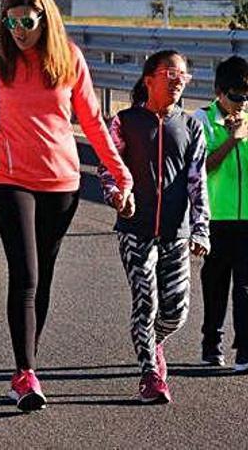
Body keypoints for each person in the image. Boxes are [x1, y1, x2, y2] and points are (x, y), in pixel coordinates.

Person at [0, 0, 133, 412]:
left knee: (45, 276)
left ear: (45, 19)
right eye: (11, 22)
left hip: (61, 184)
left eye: (27, 22)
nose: (18, 30)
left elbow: (93, 121)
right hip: (10, 180)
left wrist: (120, 172)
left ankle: (28, 362)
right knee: (26, 275)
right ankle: (25, 373)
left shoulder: (68, 58)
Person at [99, 50, 210, 403]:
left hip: (176, 234)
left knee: (176, 312)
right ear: (149, 79)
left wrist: (201, 227)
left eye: (183, 76)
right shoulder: (125, 121)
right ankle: (150, 376)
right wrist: (117, 193)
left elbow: (198, 181)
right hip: (136, 230)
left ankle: (155, 340)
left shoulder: (191, 125)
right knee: (145, 303)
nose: (178, 80)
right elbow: (108, 166)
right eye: (170, 73)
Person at [194, 55, 248, 373]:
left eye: (246, 95)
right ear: (218, 91)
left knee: (245, 286)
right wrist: (231, 140)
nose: (241, 102)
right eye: (235, 95)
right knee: (215, 284)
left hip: (246, 220)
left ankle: (244, 349)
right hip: (215, 219)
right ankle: (211, 343)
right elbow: (201, 168)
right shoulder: (201, 120)